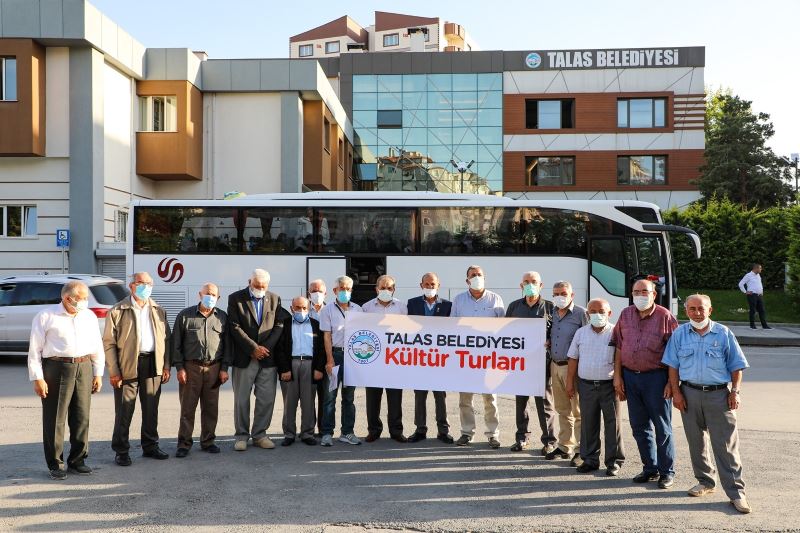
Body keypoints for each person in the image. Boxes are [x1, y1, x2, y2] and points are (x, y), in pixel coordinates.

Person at [662, 294, 751, 514]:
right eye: (691, 309)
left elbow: (736, 366)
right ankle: (705, 482)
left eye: (701, 308)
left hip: (719, 395)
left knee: (726, 446)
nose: (696, 313)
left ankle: (736, 493)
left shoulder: (723, 334)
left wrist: (736, 392)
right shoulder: (680, 334)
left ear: (710, 310)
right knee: (696, 442)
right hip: (689, 393)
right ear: (686, 311)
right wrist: (676, 392)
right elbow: (672, 366)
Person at [28, 281, 105, 479]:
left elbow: (97, 345)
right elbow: (35, 350)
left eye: (86, 297)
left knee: (81, 416)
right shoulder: (46, 316)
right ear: (67, 298)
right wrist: (38, 378)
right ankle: (56, 463)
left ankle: (78, 460)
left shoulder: (88, 316)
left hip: (84, 366)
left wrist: (98, 373)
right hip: (56, 367)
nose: (85, 302)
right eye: (82, 298)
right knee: (55, 418)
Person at [611, 279, 678, 489]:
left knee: (662, 427)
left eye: (644, 291)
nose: (640, 295)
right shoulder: (626, 314)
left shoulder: (665, 316)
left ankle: (667, 472)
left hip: (656, 378)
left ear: (654, 294)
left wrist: (671, 382)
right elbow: (619, 347)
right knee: (639, 426)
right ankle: (650, 467)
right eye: (636, 292)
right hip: (631, 377)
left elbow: (674, 353)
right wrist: (618, 376)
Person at [104, 272, 171, 466]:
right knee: (125, 409)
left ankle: (150, 446)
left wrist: (166, 365)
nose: (146, 286)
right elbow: (108, 343)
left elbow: (166, 339)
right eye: (141, 283)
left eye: (149, 283)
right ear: (131, 286)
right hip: (128, 365)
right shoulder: (118, 310)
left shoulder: (158, 309)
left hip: (153, 363)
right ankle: (121, 450)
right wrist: (114, 371)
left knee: (151, 409)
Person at [227, 269, 288, 451]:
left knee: (266, 399)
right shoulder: (236, 298)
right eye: (256, 286)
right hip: (245, 357)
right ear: (249, 282)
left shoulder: (275, 299)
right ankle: (241, 436)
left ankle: (260, 434)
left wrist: (264, 348)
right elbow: (235, 326)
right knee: (241, 400)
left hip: (267, 359)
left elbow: (279, 325)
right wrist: (253, 348)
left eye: (263, 286)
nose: (260, 289)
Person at [566, 298, 625, 476]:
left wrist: (618, 378)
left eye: (601, 311)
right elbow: (573, 358)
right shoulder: (581, 333)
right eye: (592, 311)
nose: (597, 315)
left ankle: (613, 461)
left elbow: (620, 358)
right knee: (588, 423)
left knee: (613, 424)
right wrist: (570, 382)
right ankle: (590, 459)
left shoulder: (616, 332)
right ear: (587, 314)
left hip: (609, 386)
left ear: (609, 313)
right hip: (586, 385)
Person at [172, 283, 230, 457]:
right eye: (207, 293)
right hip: (191, 368)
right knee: (187, 408)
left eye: (214, 295)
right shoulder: (185, 316)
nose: (210, 297)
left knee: (211, 408)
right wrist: (179, 368)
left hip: (214, 368)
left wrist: (224, 368)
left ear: (218, 298)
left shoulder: (223, 317)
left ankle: (208, 441)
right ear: (200, 294)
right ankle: (184, 443)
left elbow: (227, 346)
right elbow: (176, 345)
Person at [451, 265, 505, 449]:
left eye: (479, 274)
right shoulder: (458, 300)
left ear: (485, 277)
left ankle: (493, 434)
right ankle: (467, 432)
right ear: (467, 280)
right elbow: (452, 327)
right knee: (465, 399)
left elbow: (504, 330)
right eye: (473, 275)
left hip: (489, 359)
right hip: (466, 358)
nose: (476, 277)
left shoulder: (495, 299)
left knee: (490, 398)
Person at [504, 271, 556, 453]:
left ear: (541, 285)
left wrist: (550, 341)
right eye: (526, 281)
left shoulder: (550, 307)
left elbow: (557, 333)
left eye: (534, 281)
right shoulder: (513, 307)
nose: (530, 284)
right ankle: (522, 438)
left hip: (542, 364)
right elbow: (505, 334)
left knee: (544, 404)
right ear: (521, 286)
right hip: (519, 364)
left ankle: (549, 441)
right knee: (521, 403)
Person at [406, 272, 453, 444]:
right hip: (419, 358)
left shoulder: (448, 306)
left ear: (438, 286)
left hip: (440, 359)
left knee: (440, 396)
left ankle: (443, 430)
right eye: (426, 284)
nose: (430, 287)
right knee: (420, 395)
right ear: (421, 285)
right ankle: (420, 430)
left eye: (433, 284)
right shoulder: (412, 304)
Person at [362, 275, 408, 443]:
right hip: (373, 359)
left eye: (389, 288)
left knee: (395, 397)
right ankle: (374, 430)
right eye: (382, 287)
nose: (386, 290)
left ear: (394, 289)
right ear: (376, 289)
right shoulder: (366, 308)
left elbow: (408, 332)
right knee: (373, 397)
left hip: (395, 360)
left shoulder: (402, 308)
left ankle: (396, 431)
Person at [546, 281, 588, 467]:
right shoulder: (553, 313)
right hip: (555, 365)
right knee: (562, 409)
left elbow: (588, 339)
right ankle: (565, 445)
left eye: (563, 293)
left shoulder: (581, 314)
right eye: (556, 294)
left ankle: (582, 450)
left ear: (572, 295)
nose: (559, 297)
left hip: (573, 367)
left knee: (578, 411)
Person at [319, 275, 363, 447]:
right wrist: (329, 360)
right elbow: (327, 336)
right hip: (336, 356)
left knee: (349, 397)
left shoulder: (358, 310)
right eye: (342, 288)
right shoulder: (327, 310)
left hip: (353, 357)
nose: (345, 292)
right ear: (335, 291)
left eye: (348, 289)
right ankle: (327, 433)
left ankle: (347, 432)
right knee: (330, 397)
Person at [278, 296, 325, 446]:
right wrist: (284, 369)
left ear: (309, 308)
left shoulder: (316, 325)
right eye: (298, 308)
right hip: (291, 364)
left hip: (310, 366)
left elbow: (322, 349)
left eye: (304, 308)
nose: (301, 311)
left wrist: (318, 368)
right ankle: (289, 434)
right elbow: (279, 349)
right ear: (292, 309)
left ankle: (307, 433)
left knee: (308, 401)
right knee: (289, 402)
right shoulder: (284, 325)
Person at [307, 278, 328, 436]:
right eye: (314, 291)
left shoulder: (332, 311)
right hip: (308, 358)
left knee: (325, 396)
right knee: (308, 396)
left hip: (328, 358)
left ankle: (323, 428)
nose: (317, 294)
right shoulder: (303, 310)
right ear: (309, 293)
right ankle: (308, 429)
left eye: (320, 291)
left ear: (325, 293)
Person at [738, 263, 772, 330]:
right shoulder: (748, 275)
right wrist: (745, 292)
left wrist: (761, 291)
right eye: (760, 268)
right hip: (752, 295)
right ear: (755, 268)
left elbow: (759, 284)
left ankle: (764, 325)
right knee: (753, 310)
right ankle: (752, 325)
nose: (761, 269)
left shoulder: (758, 275)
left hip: (759, 295)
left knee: (762, 310)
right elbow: (740, 284)